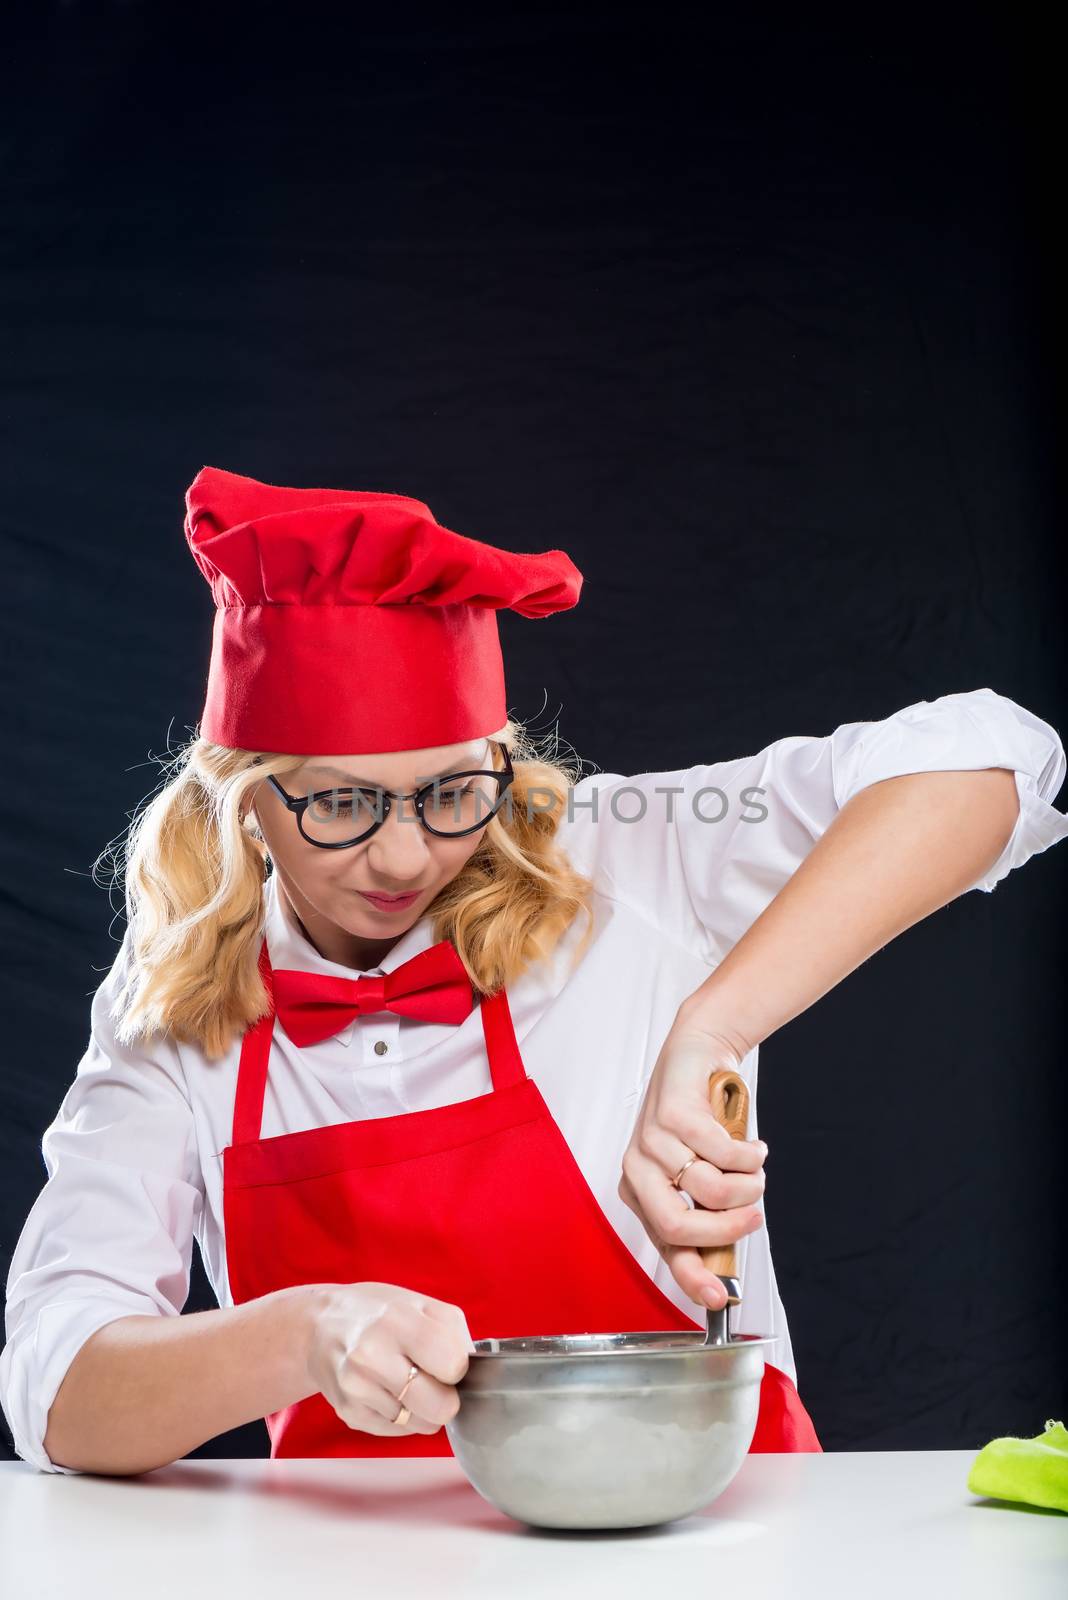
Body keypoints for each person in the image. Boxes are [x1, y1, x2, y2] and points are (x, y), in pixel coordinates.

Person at [2, 466, 1066, 1475]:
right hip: (358, 1568)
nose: (407, 854)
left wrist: (716, 1024)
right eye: (339, 803)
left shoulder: (623, 856)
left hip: (715, 1541)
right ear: (246, 802)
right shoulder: (175, 1003)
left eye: (453, 791)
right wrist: (302, 1335)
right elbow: (57, 1389)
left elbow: (990, 757)